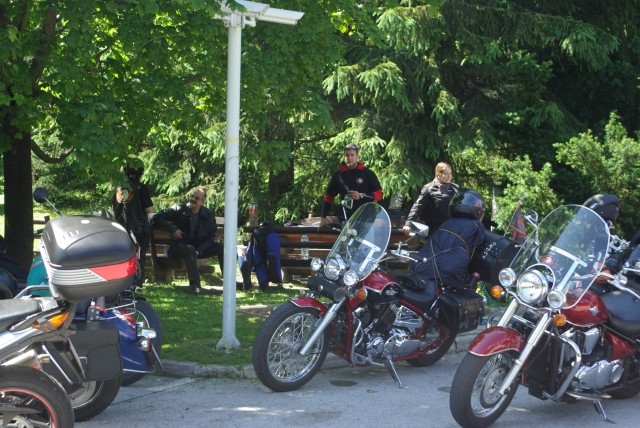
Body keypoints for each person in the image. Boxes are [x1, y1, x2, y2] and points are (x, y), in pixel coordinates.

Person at [152, 188, 223, 295]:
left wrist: (200, 250)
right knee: (190, 250)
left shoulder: (207, 214)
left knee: (221, 248)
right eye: (193, 196)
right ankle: (196, 286)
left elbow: (210, 238)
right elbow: (157, 217)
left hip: (199, 248)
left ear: (202, 202)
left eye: (197, 198)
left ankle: (229, 282)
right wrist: (173, 229)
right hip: (179, 247)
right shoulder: (178, 209)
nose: (194, 199)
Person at [413, 189, 486, 292]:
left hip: (421, 267)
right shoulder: (475, 226)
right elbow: (474, 251)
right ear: (478, 209)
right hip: (447, 275)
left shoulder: (447, 222)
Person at [112, 160, 154, 290]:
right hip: (138, 228)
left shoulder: (118, 188)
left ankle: (121, 283)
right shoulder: (141, 187)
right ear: (140, 172)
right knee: (138, 256)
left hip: (120, 228)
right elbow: (149, 211)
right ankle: (135, 283)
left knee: (122, 256)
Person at [319, 144, 383, 227]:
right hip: (345, 221)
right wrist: (323, 217)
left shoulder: (368, 173)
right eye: (347, 155)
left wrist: (361, 195)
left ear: (357, 156)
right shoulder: (338, 175)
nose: (349, 158)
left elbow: (379, 194)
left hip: (366, 220)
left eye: (352, 155)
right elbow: (329, 197)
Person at [403, 162, 459, 236]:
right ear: (438, 174)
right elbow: (417, 206)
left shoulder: (455, 187)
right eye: (446, 174)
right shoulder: (429, 188)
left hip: (454, 229)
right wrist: (408, 223)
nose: (449, 176)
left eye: (450, 173)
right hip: (436, 231)